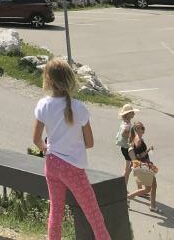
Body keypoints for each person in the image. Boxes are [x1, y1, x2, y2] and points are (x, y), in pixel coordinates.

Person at [32, 58, 111, 240]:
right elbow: (90, 143)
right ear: (70, 79)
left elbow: (36, 140)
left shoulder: (43, 105)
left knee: (56, 212)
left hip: (51, 164)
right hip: (73, 168)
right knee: (93, 214)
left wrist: (47, 148)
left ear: (48, 80)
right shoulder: (79, 108)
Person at [127, 121, 158, 212]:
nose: (143, 129)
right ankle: (127, 198)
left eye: (143, 127)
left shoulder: (137, 139)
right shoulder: (138, 140)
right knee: (148, 188)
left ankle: (152, 206)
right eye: (141, 128)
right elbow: (139, 156)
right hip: (143, 166)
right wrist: (148, 150)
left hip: (144, 165)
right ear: (136, 129)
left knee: (153, 186)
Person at [116, 103, 138, 186]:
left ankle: (123, 185)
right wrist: (131, 136)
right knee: (130, 168)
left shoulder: (125, 122)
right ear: (127, 114)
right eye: (132, 112)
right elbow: (124, 134)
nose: (134, 114)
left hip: (124, 147)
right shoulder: (127, 124)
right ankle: (123, 187)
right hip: (127, 148)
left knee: (129, 167)